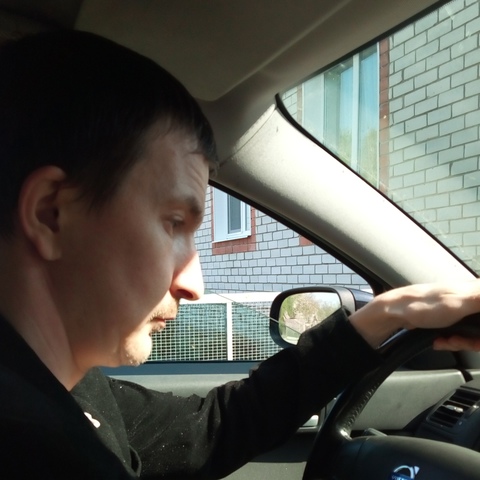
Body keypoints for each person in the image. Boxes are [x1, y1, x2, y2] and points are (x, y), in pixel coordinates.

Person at [0, 28, 479, 479]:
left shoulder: (69, 390)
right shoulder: (35, 449)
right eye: (174, 224)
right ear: (51, 214)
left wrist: (384, 315)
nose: (194, 284)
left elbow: (213, 427)